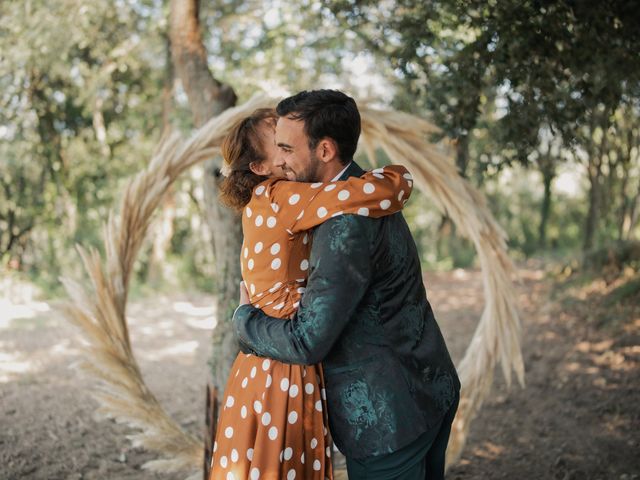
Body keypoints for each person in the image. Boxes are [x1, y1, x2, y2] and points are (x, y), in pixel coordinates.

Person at [233, 90, 461, 480]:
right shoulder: (361, 190)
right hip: (429, 385)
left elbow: (308, 341)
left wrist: (244, 321)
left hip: (387, 419)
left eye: (287, 148)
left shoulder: (344, 225)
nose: (281, 161)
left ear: (324, 150)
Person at [209, 106, 414, 480]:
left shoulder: (263, 199)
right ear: (259, 167)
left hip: (262, 361)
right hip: (283, 359)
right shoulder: (281, 196)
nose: (290, 141)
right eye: (279, 139)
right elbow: (375, 194)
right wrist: (398, 176)